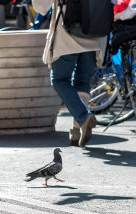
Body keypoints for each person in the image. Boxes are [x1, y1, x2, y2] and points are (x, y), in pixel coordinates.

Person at [33, 0, 111, 147]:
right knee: (82, 82)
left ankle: (84, 117)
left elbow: (40, 7)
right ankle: (77, 130)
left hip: (68, 35)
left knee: (59, 80)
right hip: (95, 33)